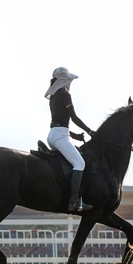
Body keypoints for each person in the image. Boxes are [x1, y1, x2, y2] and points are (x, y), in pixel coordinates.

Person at [44, 67, 95, 213]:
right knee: (79, 163)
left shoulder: (53, 96)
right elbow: (74, 117)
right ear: (64, 80)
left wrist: (73, 135)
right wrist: (90, 131)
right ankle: (74, 201)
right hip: (59, 136)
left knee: (71, 162)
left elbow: (59, 120)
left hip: (53, 135)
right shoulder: (65, 95)